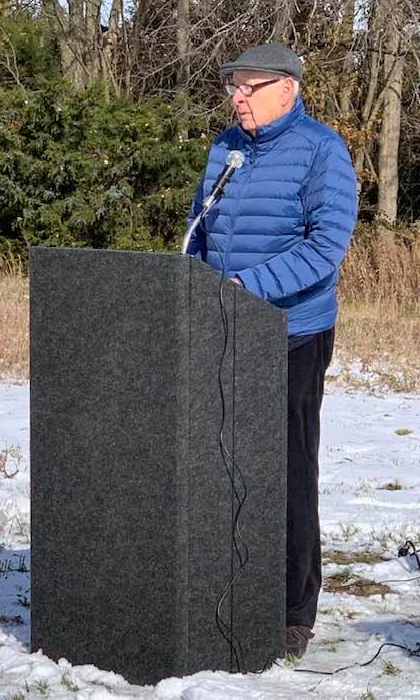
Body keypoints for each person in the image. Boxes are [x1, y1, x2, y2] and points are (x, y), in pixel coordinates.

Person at [186, 44, 357, 660]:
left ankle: (293, 608)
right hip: (221, 330)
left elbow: (324, 248)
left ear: (287, 88)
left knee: (286, 468)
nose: (238, 97)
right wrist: (189, 283)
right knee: (219, 460)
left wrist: (246, 289)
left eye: (250, 86)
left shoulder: (322, 151)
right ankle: (223, 584)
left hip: (293, 334)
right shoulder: (225, 149)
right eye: (233, 85)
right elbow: (199, 229)